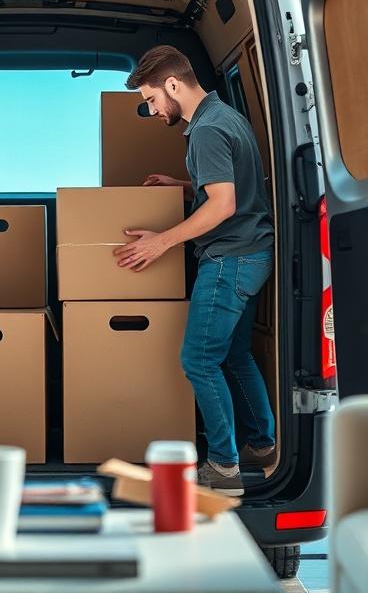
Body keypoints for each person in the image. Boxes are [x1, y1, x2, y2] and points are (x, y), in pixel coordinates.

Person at [114, 44, 275, 497]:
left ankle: (223, 467)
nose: (151, 109)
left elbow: (223, 205)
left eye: (150, 99)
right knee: (234, 355)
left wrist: (160, 242)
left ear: (172, 84)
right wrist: (186, 186)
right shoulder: (222, 117)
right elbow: (231, 185)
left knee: (198, 360)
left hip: (229, 258)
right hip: (250, 252)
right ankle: (262, 444)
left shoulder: (206, 130)